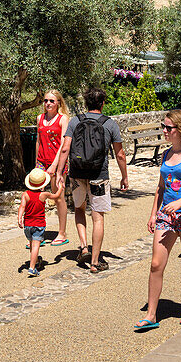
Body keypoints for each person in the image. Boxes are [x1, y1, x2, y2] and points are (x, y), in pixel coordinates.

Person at [134, 109, 181, 332]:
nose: (164, 131)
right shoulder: (166, 155)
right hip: (166, 218)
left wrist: (180, 202)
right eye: (163, 126)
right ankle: (151, 314)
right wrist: (153, 213)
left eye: (169, 128)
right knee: (156, 264)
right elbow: (161, 187)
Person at [55, 87, 129, 274]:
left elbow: (65, 149)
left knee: (79, 209)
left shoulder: (75, 121)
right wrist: (124, 176)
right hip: (99, 176)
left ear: (86, 103)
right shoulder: (109, 124)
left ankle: (84, 247)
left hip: (77, 174)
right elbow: (120, 155)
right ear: (103, 103)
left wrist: (59, 173)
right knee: (98, 217)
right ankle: (95, 262)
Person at [35, 89, 70, 246]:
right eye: (46, 100)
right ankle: (38, 233)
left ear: (58, 103)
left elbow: (63, 143)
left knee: (58, 196)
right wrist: (37, 164)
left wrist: (55, 165)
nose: (48, 103)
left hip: (58, 163)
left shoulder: (63, 119)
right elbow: (38, 141)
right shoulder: (39, 119)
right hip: (42, 161)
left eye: (51, 101)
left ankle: (61, 233)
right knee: (37, 197)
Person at [18, 167, 65, 277]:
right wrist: (60, 187)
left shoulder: (25, 194)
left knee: (31, 244)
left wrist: (19, 218)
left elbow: (22, 206)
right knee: (35, 246)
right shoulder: (44, 195)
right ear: (43, 184)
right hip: (39, 225)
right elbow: (56, 196)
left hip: (27, 226)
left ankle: (36, 261)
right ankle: (32, 267)